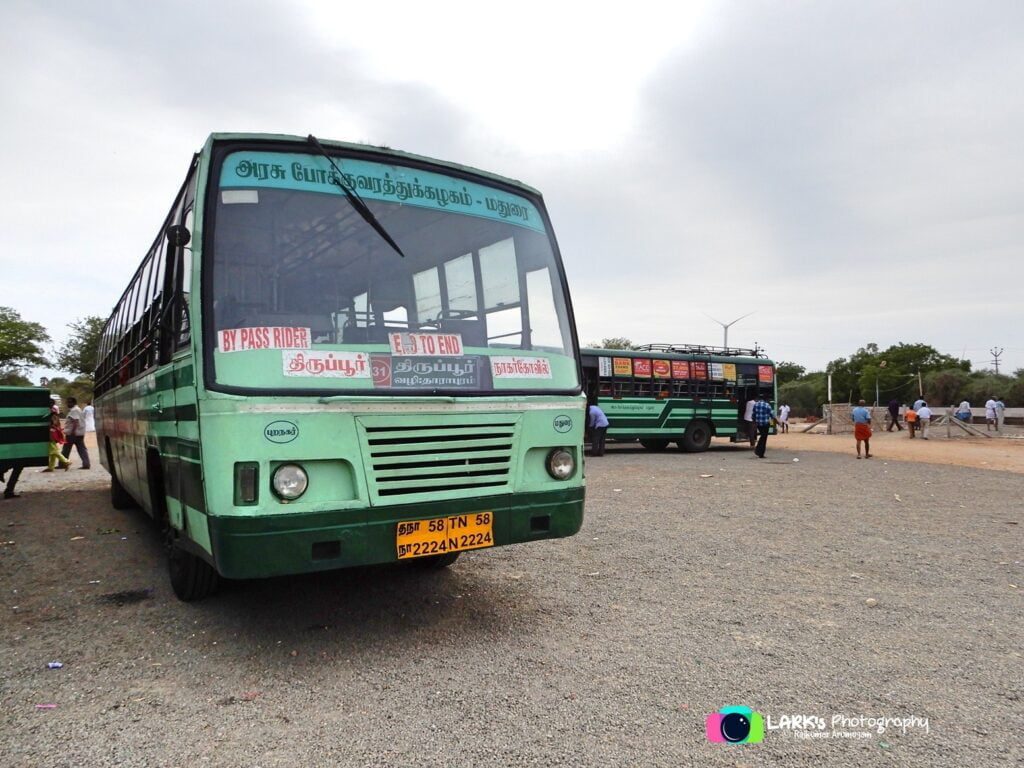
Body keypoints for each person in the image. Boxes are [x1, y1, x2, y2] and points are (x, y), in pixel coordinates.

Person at [61, 397, 91, 468]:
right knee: (81, 449)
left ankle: (62, 464)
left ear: (74, 403)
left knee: (66, 449)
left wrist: (73, 432)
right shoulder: (77, 409)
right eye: (67, 402)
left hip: (73, 433)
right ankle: (86, 464)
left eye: (69, 402)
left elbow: (75, 421)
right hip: (79, 433)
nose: (68, 404)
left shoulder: (74, 410)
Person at [751, 393, 774, 458]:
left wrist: (754, 422)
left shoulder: (756, 404)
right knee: (764, 438)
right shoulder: (767, 405)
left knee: (762, 437)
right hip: (765, 424)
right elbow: (772, 416)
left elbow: (753, 415)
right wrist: (772, 424)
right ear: (766, 399)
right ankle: (760, 452)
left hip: (758, 424)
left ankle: (759, 451)